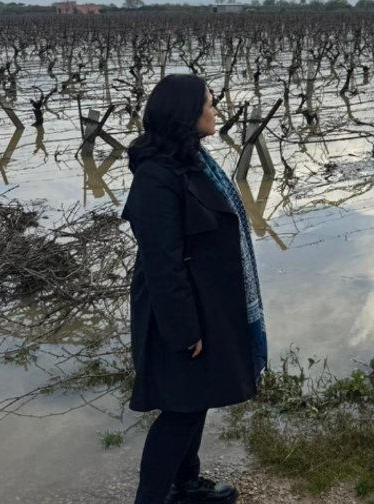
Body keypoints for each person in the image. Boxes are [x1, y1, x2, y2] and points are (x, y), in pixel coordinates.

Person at [122, 74, 268, 504]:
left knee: (195, 399)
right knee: (180, 410)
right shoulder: (155, 177)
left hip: (207, 304)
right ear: (186, 113)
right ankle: (151, 497)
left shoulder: (194, 162)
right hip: (177, 310)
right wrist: (184, 330)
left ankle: (185, 484)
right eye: (208, 103)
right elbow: (162, 264)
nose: (215, 110)